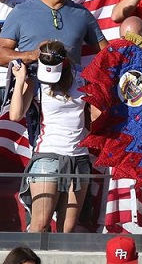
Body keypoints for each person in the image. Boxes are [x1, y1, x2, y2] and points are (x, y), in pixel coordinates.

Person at [12, 41, 91, 233]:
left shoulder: (83, 78)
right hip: (48, 156)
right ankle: (27, 263)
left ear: (64, 64)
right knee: (40, 224)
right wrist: (21, 80)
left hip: (79, 156)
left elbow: (94, 115)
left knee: (68, 228)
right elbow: (15, 114)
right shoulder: (37, 81)